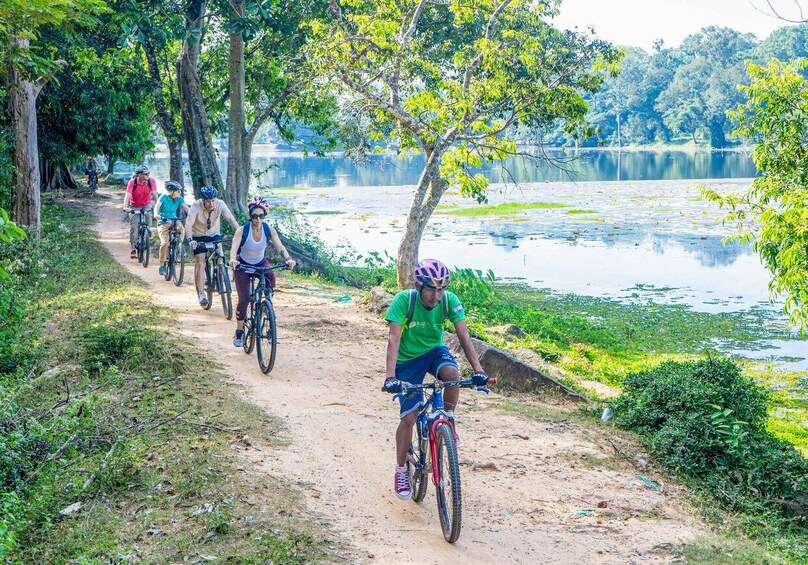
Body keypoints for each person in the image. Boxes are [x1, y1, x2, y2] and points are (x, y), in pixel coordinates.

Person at [382, 258, 488, 500]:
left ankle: (448, 420)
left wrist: (479, 370)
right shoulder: (403, 301)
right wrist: (390, 377)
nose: (437, 296)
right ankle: (401, 470)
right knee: (409, 417)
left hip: (434, 352)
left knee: (452, 376)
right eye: (432, 289)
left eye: (441, 289)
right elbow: (393, 339)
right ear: (420, 286)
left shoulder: (449, 301)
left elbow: (464, 337)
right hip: (407, 360)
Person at [229, 197, 296, 347]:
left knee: (271, 279)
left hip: (260, 262)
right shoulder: (242, 230)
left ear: (264, 216)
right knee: (244, 299)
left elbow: (280, 247)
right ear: (250, 216)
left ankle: (267, 307)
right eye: (254, 216)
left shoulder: (268, 229)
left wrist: (288, 259)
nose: (257, 219)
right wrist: (233, 260)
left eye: (261, 216)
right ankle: (239, 331)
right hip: (244, 265)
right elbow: (234, 248)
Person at [184, 185, 240, 306]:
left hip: (214, 234)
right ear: (203, 200)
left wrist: (240, 233)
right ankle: (201, 294)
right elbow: (188, 224)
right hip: (198, 235)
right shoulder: (195, 206)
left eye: (213, 200)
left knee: (220, 256)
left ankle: (221, 275)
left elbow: (230, 219)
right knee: (200, 262)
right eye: (208, 201)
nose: (211, 204)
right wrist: (190, 240)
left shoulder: (220, 204)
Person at [153, 181, 190, 276]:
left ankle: (179, 245)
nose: (180, 192)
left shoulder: (179, 198)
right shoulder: (163, 197)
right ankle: (162, 265)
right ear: (171, 192)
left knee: (181, 227)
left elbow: (187, 208)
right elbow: (156, 207)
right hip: (163, 221)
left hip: (173, 219)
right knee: (165, 243)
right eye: (178, 191)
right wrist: (156, 214)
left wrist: (192, 215)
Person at [122, 165, 157, 259]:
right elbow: (127, 195)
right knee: (134, 227)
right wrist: (125, 207)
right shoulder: (132, 183)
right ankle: (133, 249)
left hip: (146, 204)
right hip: (134, 205)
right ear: (139, 175)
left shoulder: (151, 181)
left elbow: (155, 194)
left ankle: (148, 231)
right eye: (146, 174)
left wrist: (157, 206)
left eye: (148, 173)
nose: (148, 175)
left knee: (148, 214)